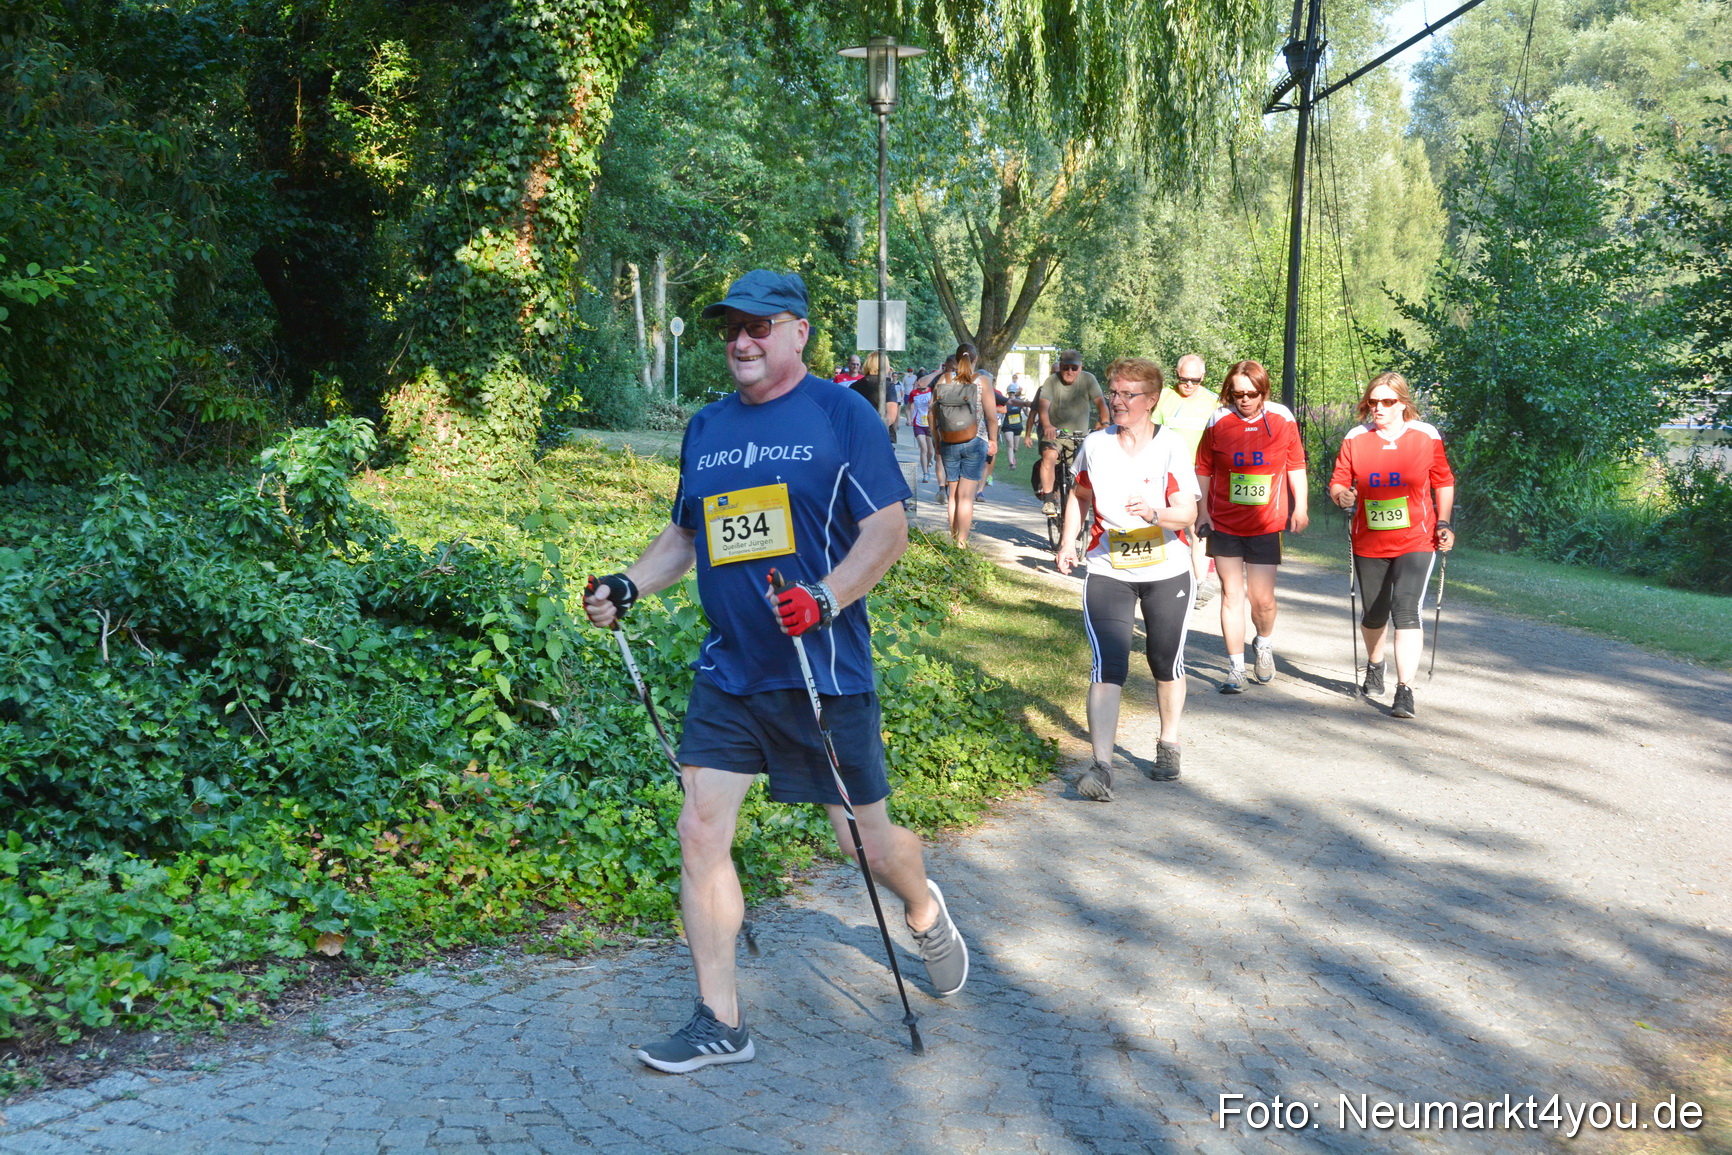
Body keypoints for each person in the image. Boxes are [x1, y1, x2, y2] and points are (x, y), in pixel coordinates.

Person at [583, 270, 969, 1074]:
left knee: (864, 844)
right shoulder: (709, 427)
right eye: (731, 327)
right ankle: (720, 1020)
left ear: (798, 331)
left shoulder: (841, 414)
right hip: (731, 670)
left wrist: (825, 597)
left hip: (822, 672)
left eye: (760, 326)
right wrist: (628, 583)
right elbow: (686, 537)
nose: (742, 340)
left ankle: (924, 905)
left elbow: (888, 531)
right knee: (699, 828)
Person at [1055, 357, 1201, 797]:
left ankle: (1168, 742)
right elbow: (1080, 497)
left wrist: (1155, 512)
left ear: (1151, 401)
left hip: (1167, 568)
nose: (1116, 401)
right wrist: (1067, 542)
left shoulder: (1171, 446)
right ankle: (1100, 766)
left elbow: (1188, 513)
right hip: (1107, 566)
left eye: (1127, 395)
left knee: (1164, 659)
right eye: (1114, 392)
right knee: (1108, 664)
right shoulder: (1097, 445)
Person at [1328, 371, 1456, 719]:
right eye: (1373, 401)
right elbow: (1338, 481)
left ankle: (1405, 690)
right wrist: (1343, 496)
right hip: (1370, 539)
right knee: (1374, 615)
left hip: (1417, 537)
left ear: (1403, 404)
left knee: (1405, 608)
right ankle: (1374, 663)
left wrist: (1444, 522)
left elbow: (1443, 481)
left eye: (1387, 402)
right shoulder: (1356, 438)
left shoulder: (1425, 435)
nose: (1378, 408)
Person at [1193, 360, 1309, 693]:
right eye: (1237, 393)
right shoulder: (1219, 419)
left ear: (1263, 391)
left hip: (1265, 522)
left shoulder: (1281, 418)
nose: (1244, 400)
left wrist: (1300, 506)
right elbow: (1203, 467)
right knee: (1232, 594)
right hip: (1224, 520)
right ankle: (1235, 669)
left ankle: (1264, 642)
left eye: (1251, 394)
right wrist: (1202, 511)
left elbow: (1295, 464)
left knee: (1262, 601)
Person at [1153, 354, 1221, 608]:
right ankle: (1164, 578)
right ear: (1176, 374)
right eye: (1184, 379)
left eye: (1194, 380)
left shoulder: (1214, 402)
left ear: (1203, 377)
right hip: (1168, 473)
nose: (1189, 385)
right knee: (1166, 525)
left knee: (1198, 527)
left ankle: (1200, 583)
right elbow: (1152, 433)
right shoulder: (1164, 398)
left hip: (1201, 474)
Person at [930, 343, 998, 546]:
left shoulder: (944, 379)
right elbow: (992, 417)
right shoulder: (982, 381)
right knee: (966, 496)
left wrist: (937, 442)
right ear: (975, 359)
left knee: (953, 496)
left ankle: (953, 540)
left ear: (956, 360)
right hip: (975, 441)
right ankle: (961, 543)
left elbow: (932, 415)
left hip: (949, 441)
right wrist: (993, 440)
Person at [1035, 350, 1109, 515]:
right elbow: (1043, 406)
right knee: (1050, 455)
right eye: (1065, 367)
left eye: (1074, 368)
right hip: (1056, 433)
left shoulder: (1088, 379)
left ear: (1080, 368)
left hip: (1080, 435)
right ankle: (1048, 500)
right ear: (1060, 367)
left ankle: (1089, 497)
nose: (1070, 371)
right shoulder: (1052, 381)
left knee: (1088, 464)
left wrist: (1105, 423)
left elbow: (1101, 404)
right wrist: (1047, 425)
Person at [906, 367, 937, 482]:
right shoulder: (914, 393)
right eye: (919, 381)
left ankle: (928, 461)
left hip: (929, 424)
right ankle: (925, 473)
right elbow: (908, 408)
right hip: (918, 423)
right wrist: (909, 419)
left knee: (930, 451)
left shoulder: (932, 391)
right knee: (923, 448)